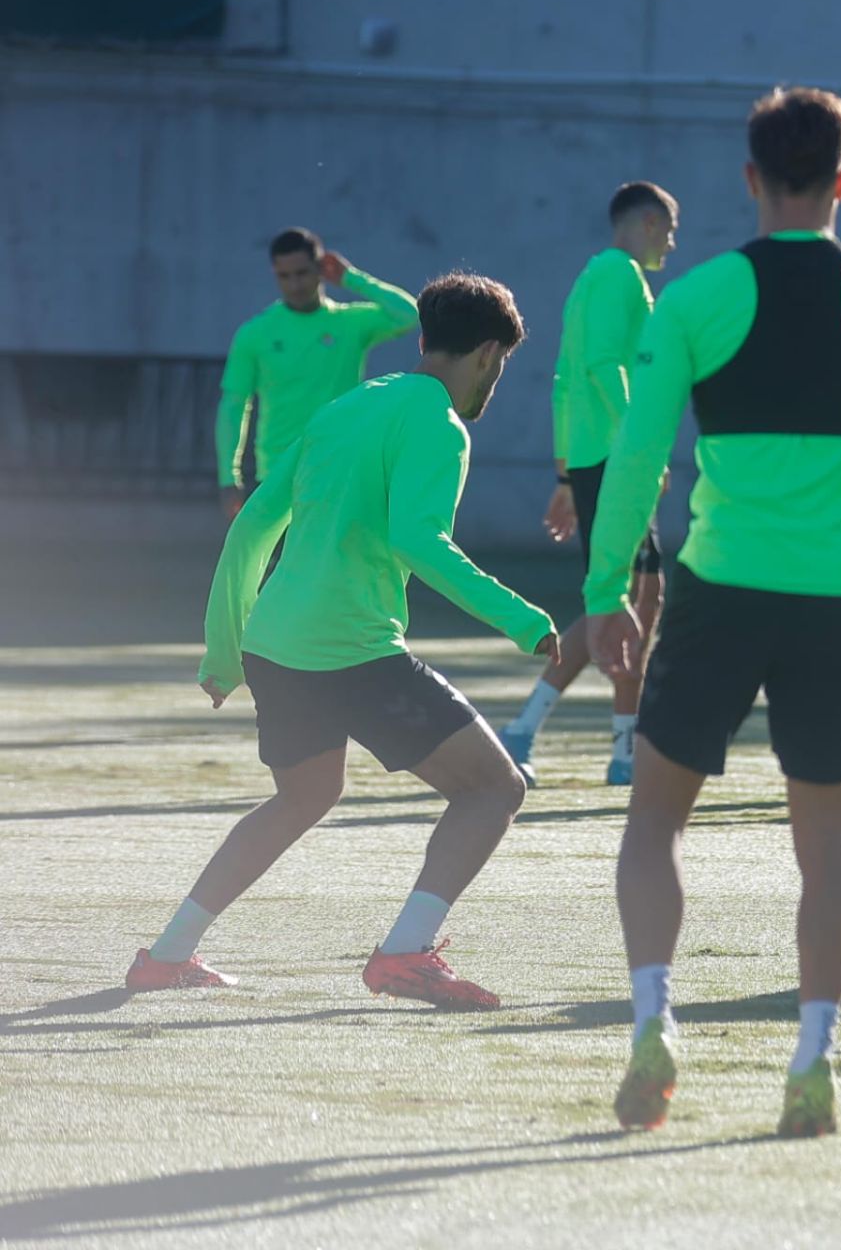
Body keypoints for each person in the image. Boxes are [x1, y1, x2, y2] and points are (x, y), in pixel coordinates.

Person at [583, 87, 841, 1137]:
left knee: (654, 822)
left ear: (751, 180)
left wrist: (603, 593)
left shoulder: (697, 296)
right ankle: (812, 1055)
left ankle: (652, 1020)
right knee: (828, 844)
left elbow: (638, 455)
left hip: (719, 594)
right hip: (838, 604)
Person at [127, 273, 558, 1012]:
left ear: (424, 337)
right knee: (495, 788)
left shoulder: (349, 404)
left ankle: (165, 956)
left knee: (304, 796)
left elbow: (255, 522)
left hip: (276, 641)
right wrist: (523, 619)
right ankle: (404, 955)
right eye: (503, 364)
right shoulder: (440, 424)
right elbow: (419, 540)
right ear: (489, 353)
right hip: (348, 651)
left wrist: (224, 651)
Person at [497, 182, 679, 788]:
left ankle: (623, 749)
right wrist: (638, 447)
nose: (672, 245)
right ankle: (535, 731)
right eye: (670, 231)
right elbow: (601, 368)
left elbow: (565, 384)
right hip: (614, 460)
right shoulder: (620, 274)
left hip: (597, 462)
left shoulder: (593, 279)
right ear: (650, 222)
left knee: (642, 595)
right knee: (622, 598)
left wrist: (563, 473)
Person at [215, 228, 418, 518]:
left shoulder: (349, 323)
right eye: (284, 276)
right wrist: (228, 477)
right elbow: (233, 406)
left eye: (302, 273)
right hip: (279, 474)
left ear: (321, 269)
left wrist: (351, 277)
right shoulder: (255, 333)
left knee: (338, 564)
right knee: (278, 564)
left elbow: (409, 315)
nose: (295, 284)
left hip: (340, 471)